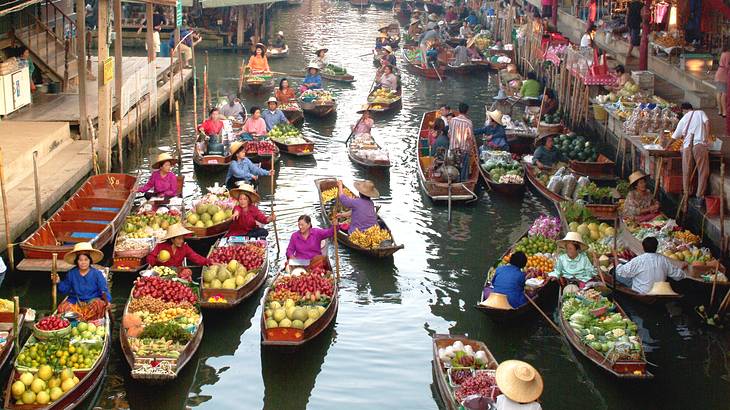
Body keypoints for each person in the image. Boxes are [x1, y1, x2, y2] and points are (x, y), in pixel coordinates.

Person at [53, 242, 110, 321]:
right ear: (77, 261)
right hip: (76, 302)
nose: (83, 262)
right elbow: (64, 289)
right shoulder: (71, 273)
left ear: (90, 260)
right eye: (80, 260)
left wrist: (108, 301)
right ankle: (78, 319)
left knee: (99, 305)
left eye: (86, 260)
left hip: (91, 302)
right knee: (62, 308)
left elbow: (104, 290)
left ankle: (89, 321)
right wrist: (58, 281)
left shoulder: (97, 274)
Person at [670, 102, 710, 208]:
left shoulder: (683, 119)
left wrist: (667, 146)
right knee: (703, 171)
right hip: (698, 145)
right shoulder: (700, 113)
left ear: (684, 110)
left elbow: (674, 137)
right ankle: (699, 196)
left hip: (687, 147)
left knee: (686, 171)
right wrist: (706, 137)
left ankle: (686, 192)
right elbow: (707, 123)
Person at [615, 236, 686, 294]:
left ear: (643, 247)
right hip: (659, 292)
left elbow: (620, 271)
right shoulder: (663, 259)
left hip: (641, 292)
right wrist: (682, 268)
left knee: (616, 272)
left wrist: (615, 256)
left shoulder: (639, 260)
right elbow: (678, 276)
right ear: (656, 247)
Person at [449, 103, 474, 181]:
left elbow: (449, 134)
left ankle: (454, 181)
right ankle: (462, 182)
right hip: (464, 150)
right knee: (464, 170)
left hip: (453, 149)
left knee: (454, 168)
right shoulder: (468, 122)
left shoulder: (452, 120)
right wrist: (470, 151)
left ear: (458, 110)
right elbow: (470, 139)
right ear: (467, 111)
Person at [715, 50, 730, 117]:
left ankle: (720, 111)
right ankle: (724, 112)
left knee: (719, 93)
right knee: (724, 93)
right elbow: (727, 65)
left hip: (719, 73)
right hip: (723, 74)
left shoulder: (723, 53)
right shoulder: (728, 54)